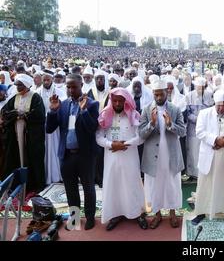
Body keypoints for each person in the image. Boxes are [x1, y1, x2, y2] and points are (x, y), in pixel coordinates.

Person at [46, 74, 99, 230]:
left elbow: (92, 128)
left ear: (81, 84)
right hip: (67, 155)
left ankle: (90, 217)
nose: (70, 90)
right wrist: (53, 111)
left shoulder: (92, 104)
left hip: (85, 155)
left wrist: (83, 111)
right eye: (68, 87)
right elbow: (49, 129)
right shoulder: (62, 105)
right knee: (70, 188)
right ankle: (75, 217)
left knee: (89, 187)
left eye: (74, 86)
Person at [96, 88, 148, 231]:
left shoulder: (134, 115)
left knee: (132, 184)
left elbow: (141, 137)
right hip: (111, 158)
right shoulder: (105, 115)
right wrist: (111, 144)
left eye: (120, 101)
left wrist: (125, 144)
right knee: (113, 185)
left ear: (126, 102)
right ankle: (115, 214)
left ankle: (138, 213)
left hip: (129, 157)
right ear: (111, 101)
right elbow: (99, 137)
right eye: (115, 101)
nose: (117, 103)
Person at [191, 90, 224, 226]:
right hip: (210, 153)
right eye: (219, 105)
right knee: (205, 184)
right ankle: (201, 212)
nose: (221, 108)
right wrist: (215, 140)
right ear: (215, 103)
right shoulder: (204, 113)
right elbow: (199, 132)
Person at [139, 79, 186, 229]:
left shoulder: (175, 109)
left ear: (167, 92)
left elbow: (183, 131)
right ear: (153, 94)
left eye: (161, 94)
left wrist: (170, 124)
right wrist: (151, 124)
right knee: (154, 185)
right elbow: (141, 134)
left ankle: (172, 213)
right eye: (156, 95)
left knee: (172, 183)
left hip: (170, 153)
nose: (159, 98)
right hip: (153, 155)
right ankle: (157, 214)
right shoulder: (146, 110)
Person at [1, 74, 46, 192]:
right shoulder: (14, 97)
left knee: (32, 158)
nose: (18, 87)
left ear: (26, 85)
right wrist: (15, 114)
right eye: (17, 85)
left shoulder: (35, 97)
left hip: (30, 135)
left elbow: (40, 115)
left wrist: (25, 115)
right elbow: (5, 112)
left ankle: (33, 185)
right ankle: (15, 184)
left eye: (20, 85)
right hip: (15, 134)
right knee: (14, 157)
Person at [36, 70, 67, 184]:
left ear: (52, 80)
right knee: (46, 151)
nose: (46, 81)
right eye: (44, 79)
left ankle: (58, 175)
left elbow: (63, 104)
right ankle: (46, 176)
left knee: (56, 149)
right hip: (43, 126)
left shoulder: (60, 92)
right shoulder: (37, 92)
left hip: (55, 126)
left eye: (48, 79)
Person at [185, 77, 214, 178]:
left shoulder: (209, 95)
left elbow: (211, 110)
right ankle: (192, 174)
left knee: (203, 151)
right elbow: (187, 113)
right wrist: (198, 119)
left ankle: (202, 173)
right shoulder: (189, 96)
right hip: (193, 128)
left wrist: (204, 121)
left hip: (206, 128)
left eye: (202, 88)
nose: (200, 90)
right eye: (198, 87)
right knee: (192, 151)